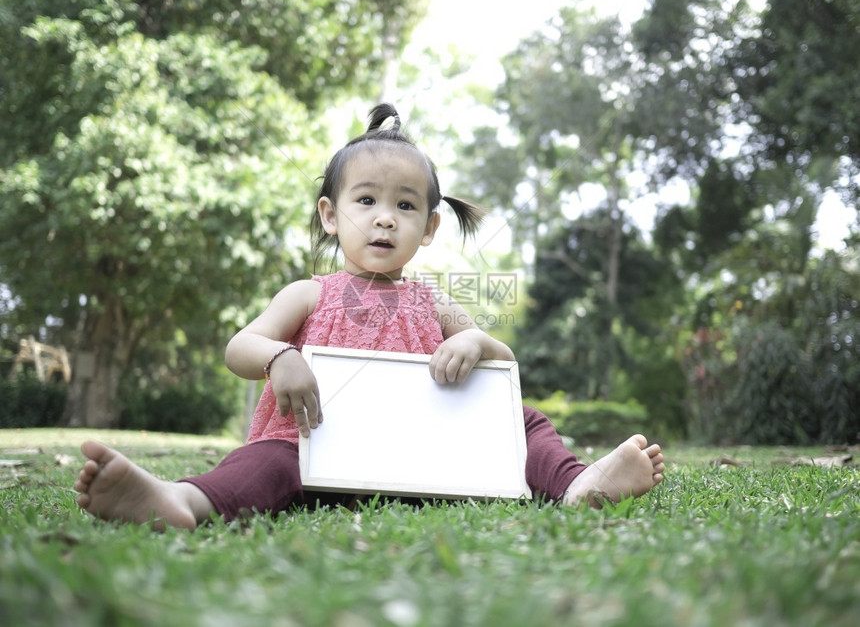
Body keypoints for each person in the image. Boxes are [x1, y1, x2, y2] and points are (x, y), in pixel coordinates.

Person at [74, 103, 664, 530]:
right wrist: (280, 357)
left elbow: (506, 372)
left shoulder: (434, 301)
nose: (384, 218)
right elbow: (240, 347)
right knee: (263, 462)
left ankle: (577, 483)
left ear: (429, 227)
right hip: (315, 454)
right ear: (331, 215)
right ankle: (181, 502)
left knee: (525, 420)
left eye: (405, 205)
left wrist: (479, 342)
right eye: (366, 201)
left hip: (424, 462)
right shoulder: (309, 293)